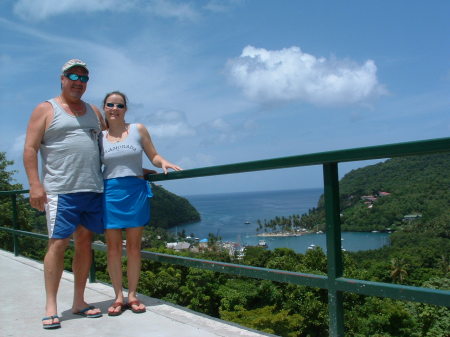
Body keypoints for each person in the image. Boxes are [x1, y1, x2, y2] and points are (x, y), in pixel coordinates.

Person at [23, 59, 106, 329]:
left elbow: (110, 144)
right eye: (72, 75)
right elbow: (30, 148)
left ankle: (79, 301)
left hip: (91, 188)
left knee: (84, 243)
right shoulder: (46, 109)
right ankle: (51, 306)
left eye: (83, 77)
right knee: (57, 244)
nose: (78, 81)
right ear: (61, 78)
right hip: (61, 190)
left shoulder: (94, 111)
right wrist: (35, 184)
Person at [100, 91, 181, 316]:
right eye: (110, 104)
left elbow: (153, 155)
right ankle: (118, 297)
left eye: (119, 105)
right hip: (110, 193)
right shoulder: (99, 137)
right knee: (114, 249)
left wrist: (162, 161)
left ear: (125, 109)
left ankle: (133, 295)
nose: (115, 108)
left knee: (134, 248)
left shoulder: (138, 129)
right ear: (104, 108)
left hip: (135, 191)